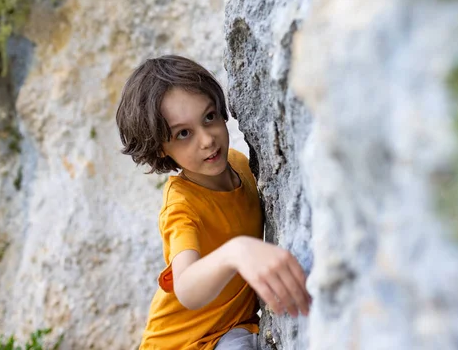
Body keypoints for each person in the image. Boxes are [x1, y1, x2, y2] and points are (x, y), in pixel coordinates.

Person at [115, 55, 312, 350]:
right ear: (160, 148)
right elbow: (186, 287)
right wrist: (236, 252)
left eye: (209, 117)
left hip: (232, 329)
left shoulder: (240, 164)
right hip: (182, 344)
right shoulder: (182, 207)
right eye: (183, 133)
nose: (207, 139)